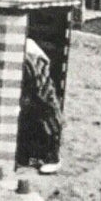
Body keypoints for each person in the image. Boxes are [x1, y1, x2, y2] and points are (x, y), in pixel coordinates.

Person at [19, 38, 63, 174]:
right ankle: (25, 154)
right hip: (29, 74)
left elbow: (39, 84)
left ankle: (52, 157)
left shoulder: (30, 55)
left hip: (36, 78)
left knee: (46, 111)